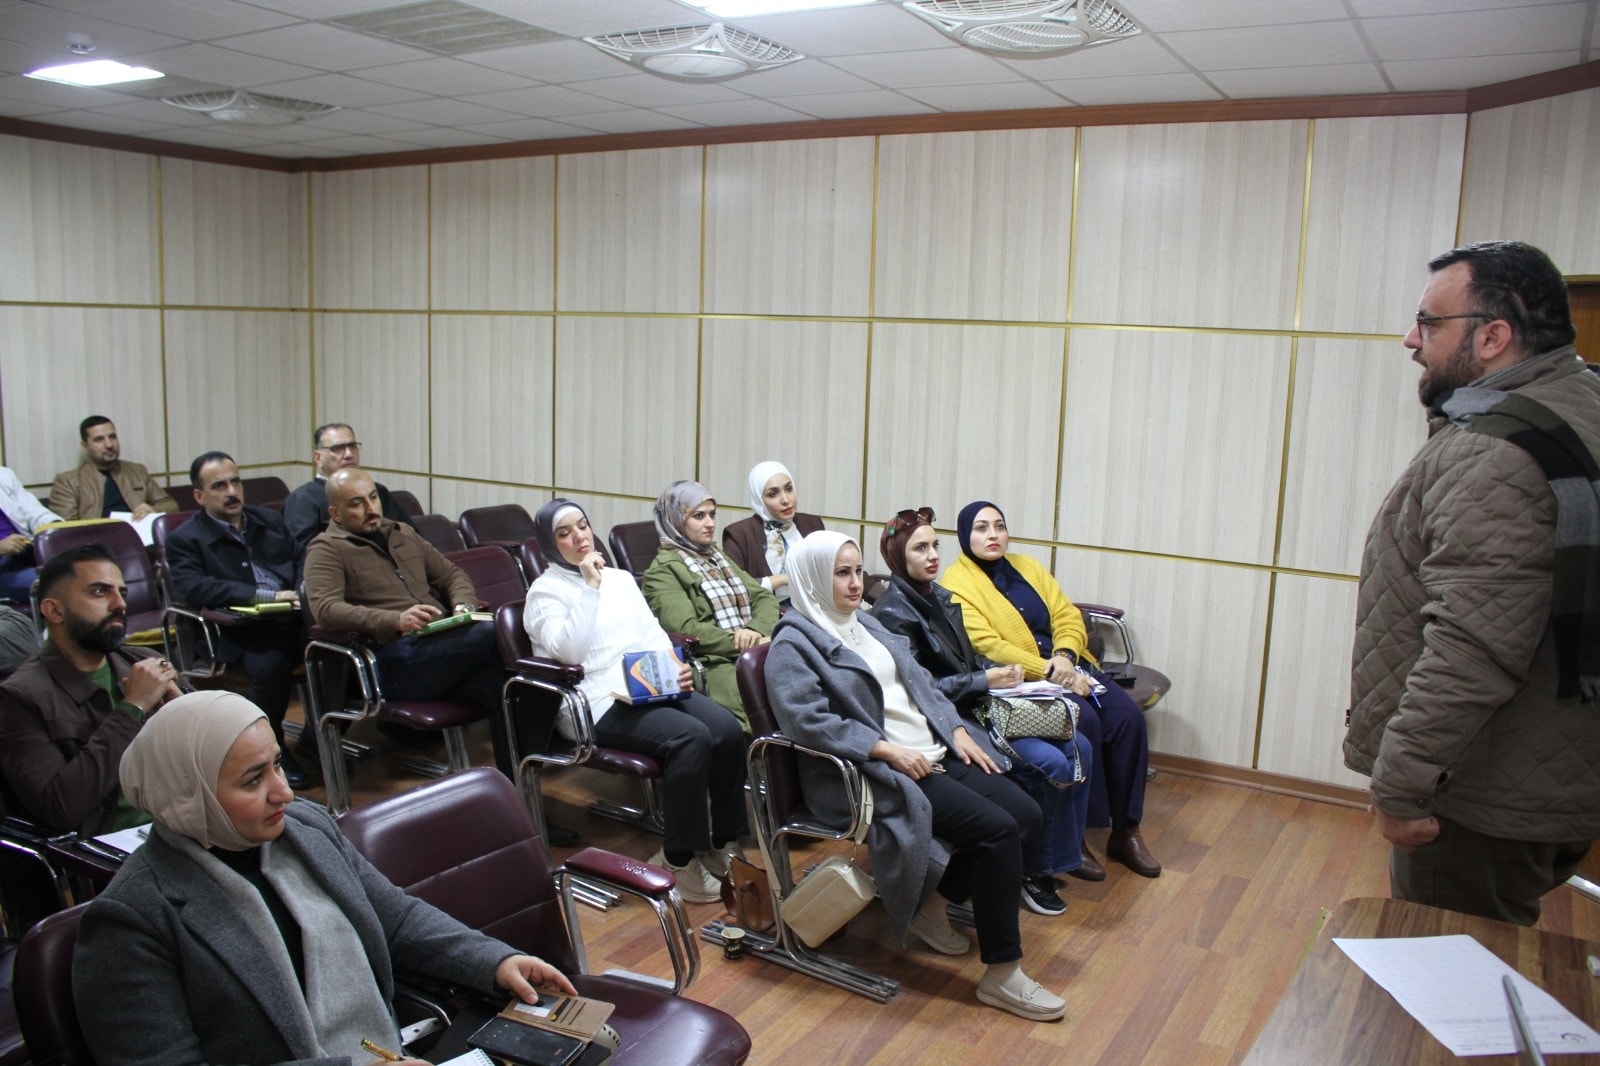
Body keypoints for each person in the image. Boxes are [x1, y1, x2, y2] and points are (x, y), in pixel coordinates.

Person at [73, 690, 577, 1066]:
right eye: (253, 780)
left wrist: (494, 961)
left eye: (277, 765)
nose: (284, 792)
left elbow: (394, 917)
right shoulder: (130, 921)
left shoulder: (303, 830)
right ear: (188, 795)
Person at [1345, 240, 1600, 926]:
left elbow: (1474, 645)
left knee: (1449, 967)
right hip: (1554, 768)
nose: (1411, 340)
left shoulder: (1497, 450)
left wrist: (1402, 784)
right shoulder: (1583, 404)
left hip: (1480, 786)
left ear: (1493, 336)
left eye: (1429, 323)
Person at [767, 531, 1063, 1022]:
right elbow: (808, 722)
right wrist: (886, 750)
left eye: (857, 571)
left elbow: (922, 684)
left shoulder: (865, 623)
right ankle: (1003, 974)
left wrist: (955, 729)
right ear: (813, 578)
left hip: (931, 752)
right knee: (996, 831)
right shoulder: (793, 644)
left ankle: (934, 899)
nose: (855, 583)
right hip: (873, 772)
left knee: (1026, 814)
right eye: (841, 574)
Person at [523, 498, 747, 904]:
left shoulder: (621, 578)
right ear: (550, 544)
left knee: (727, 730)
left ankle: (721, 842)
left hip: (646, 686)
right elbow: (569, 652)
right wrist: (590, 587)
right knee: (690, 738)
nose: (579, 537)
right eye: (564, 533)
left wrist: (674, 668)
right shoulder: (544, 592)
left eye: (582, 526)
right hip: (593, 702)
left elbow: (651, 632)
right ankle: (677, 859)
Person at [873, 508, 1094, 916]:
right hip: (952, 720)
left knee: (1079, 743)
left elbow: (967, 658)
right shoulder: (893, 613)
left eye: (935, 545)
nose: (932, 555)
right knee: (1048, 762)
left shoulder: (938, 596)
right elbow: (919, 690)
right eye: (920, 548)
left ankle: (1056, 856)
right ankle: (1033, 870)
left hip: (981, 705)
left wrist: (997, 672)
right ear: (898, 556)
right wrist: (983, 679)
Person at [940, 500, 1160, 879]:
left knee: (1128, 721)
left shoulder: (1028, 567)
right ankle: (1075, 836)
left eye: (999, 526)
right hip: (1027, 680)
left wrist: (1065, 656)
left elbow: (1066, 615)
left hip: (1071, 665)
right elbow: (988, 645)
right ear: (964, 536)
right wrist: (1050, 670)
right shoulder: (955, 584)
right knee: (1084, 722)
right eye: (981, 528)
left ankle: (1126, 831)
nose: (993, 535)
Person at [302, 467, 510, 775]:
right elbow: (326, 610)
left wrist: (463, 606)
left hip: (438, 647)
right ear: (336, 513)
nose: (370, 508)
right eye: (357, 503)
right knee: (495, 631)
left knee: (504, 688)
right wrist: (395, 620)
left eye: (373, 497)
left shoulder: (401, 533)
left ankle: (514, 786)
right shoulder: (326, 549)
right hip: (391, 662)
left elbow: (452, 575)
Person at [0, 543, 183, 833]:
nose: (120, 604)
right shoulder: (20, 697)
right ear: (54, 611)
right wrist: (132, 708)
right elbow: (59, 806)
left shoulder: (145, 661)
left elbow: (218, 759)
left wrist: (186, 711)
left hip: (185, 823)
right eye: (100, 591)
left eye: (122, 592)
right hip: (109, 845)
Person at [166, 451, 308, 788]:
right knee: (271, 666)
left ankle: (318, 740)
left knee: (340, 647)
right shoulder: (184, 538)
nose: (231, 492)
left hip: (294, 617)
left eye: (235, 482)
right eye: (219, 486)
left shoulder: (267, 520)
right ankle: (272, 747)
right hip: (238, 629)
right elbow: (195, 587)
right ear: (199, 496)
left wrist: (303, 588)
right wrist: (263, 596)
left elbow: (302, 555)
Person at [642, 480, 779, 733]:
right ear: (674, 520)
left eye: (712, 514)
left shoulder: (716, 556)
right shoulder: (662, 572)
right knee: (766, 719)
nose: (710, 523)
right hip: (713, 663)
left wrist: (754, 630)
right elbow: (688, 629)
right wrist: (741, 641)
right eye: (699, 516)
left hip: (753, 649)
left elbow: (762, 596)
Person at [283, 422, 414, 561]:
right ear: (318, 458)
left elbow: (410, 535)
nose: (349, 454)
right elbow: (306, 554)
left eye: (352, 446)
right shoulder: (302, 499)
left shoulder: (376, 490)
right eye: (337, 448)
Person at [720, 461, 825, 604]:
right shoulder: (739, 534)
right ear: (759, 499)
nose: (785, 500)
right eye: (773, 494)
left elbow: (830, 570)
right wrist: (782, 579)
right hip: (768, 611)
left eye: (789, 489)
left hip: (814, 606)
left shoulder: (812, 524)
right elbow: (734, 587)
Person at [48, 415, 177, 521]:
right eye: (99, 439)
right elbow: (66, 529)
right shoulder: (68, 482)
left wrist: (153, 510)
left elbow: (170, 505)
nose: (109, 445)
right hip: (97, 542)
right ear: (85, 446)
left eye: (112, 437)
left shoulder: (137, 472)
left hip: (140, 539)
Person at [0, 463, 63, 604]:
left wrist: (55, 526)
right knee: (59, 583)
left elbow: (35, 512)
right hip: (3, 569)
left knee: (81, 573)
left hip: (26, 553)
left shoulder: (4, 475)